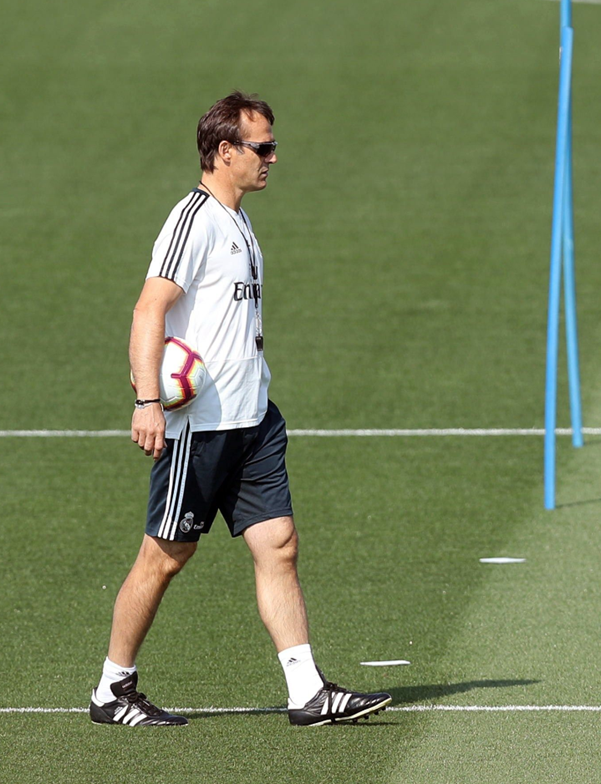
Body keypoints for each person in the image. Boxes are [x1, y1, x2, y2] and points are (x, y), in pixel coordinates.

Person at [89, 91, 390, 727]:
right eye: (263, 147)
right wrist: (148, 401)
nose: (273, 158)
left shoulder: (237, 219)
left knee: (278, 544)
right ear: (225, 152)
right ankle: (112, 689)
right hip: (202, 431)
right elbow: (149, 309)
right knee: (165, 556)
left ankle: (307, 692)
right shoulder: (193, 221)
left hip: (253, 421)